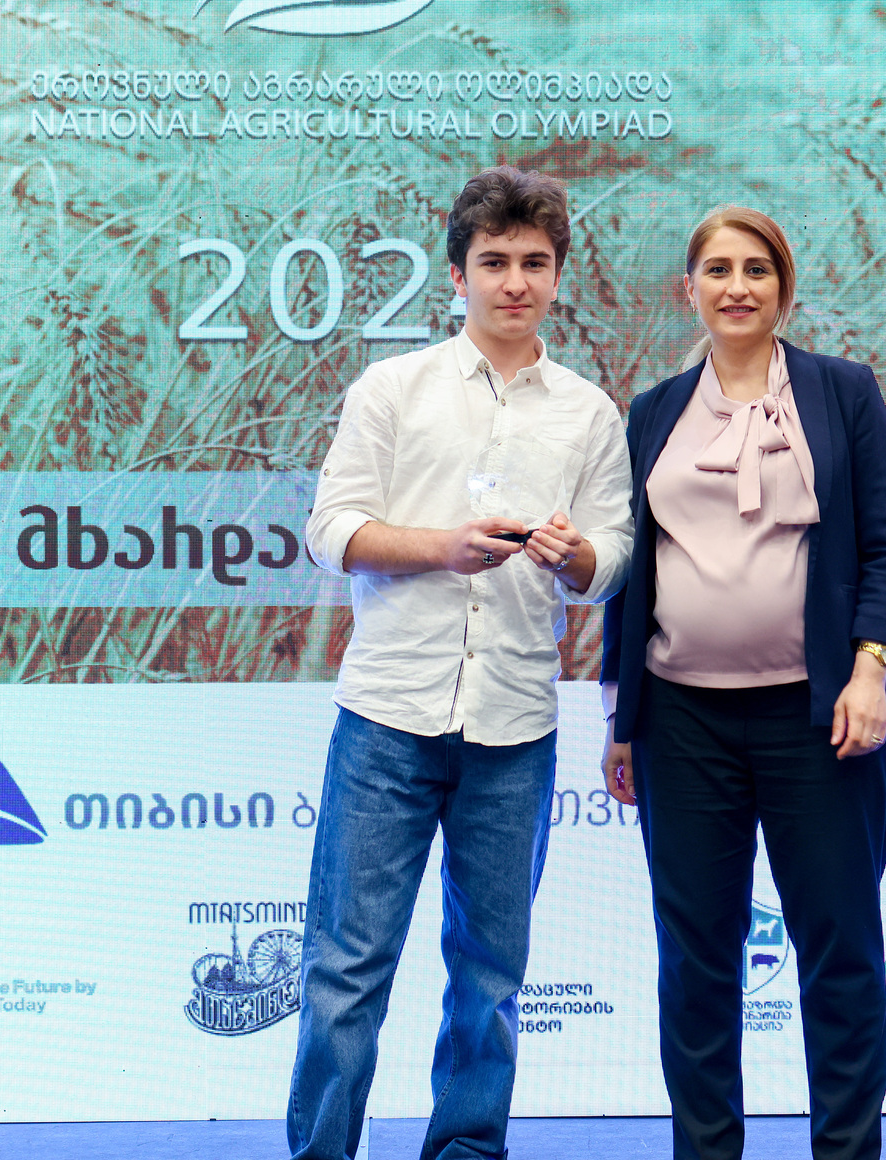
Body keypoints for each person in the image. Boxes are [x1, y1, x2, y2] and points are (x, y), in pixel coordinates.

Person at [290, 166, 634, 1160]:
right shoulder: (392, 389)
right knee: (345, 969)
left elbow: (612, 559)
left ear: (558, 275)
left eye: (534, 262)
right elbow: (332, 531)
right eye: (493, 262)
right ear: (457, 274)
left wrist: (576, 556)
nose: (514, 281)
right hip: (387, 719)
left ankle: (468, 1150)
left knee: (490, 974)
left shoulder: (588, 414)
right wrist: (443, 546)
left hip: (515, 728)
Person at [600, 206, 886, 1160]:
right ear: (688, 289)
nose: (737, 287)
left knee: (841, 952)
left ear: (784, 288)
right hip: (679, 722)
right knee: (696, 959)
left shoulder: (843, 392)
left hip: (820, 718)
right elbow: (634, 575)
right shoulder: (652, 411)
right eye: (718, 270)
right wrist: (622, 715)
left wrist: (869, 668)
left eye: (757, 270)